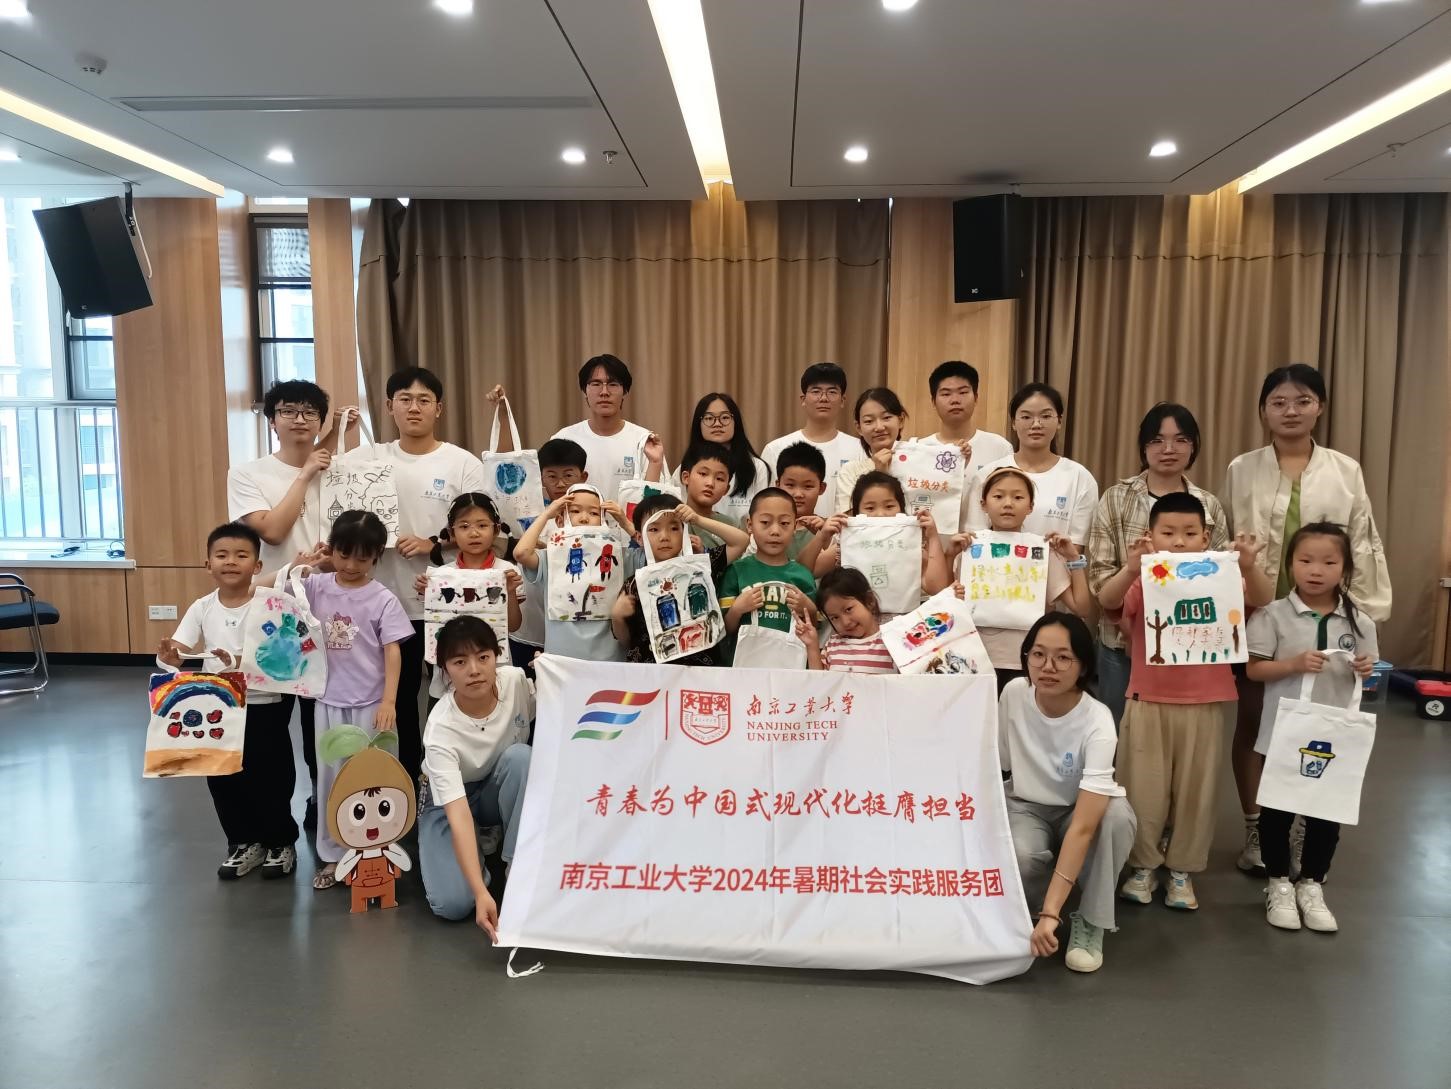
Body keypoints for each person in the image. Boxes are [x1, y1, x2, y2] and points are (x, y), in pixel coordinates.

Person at [1223, 363, 1391, 874]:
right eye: (1278, 402)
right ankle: (1257, 826)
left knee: (1320, 726)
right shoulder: (1241, 468)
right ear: (1263, 410)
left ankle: (1304, 827)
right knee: (1256, 723)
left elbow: (1362, 542)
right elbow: (1228, 541)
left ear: (1320, 407)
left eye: (1302, 401)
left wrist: (1359, 619)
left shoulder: (1345, 470)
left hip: (1323, 617)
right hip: (1259, 615)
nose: (1290, 411)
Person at [1097, 493, 1271, 911]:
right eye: (1168, 533)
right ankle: (1142, 866)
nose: (1178, 541)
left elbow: (1262, 598)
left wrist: (1248, 566)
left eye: (1190, 533)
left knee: (1197, 792)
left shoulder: (1220, 575)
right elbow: (1107, 601)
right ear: (1151, 535)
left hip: (1205, 701)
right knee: (1143, 788)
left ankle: (1182, 871)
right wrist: (1131, 567)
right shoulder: (1147, 576)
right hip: (1147, 699)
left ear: (1206, 538)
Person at [1245, 523, 1377, 932]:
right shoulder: (1272, 615)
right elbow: (1253, 670)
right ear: (1290, 565)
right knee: (1277, 811)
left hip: (1335, 734)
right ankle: (1278, 883)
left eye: (1329, 562)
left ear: (1345, 569)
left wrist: (1366, 670)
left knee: (1326, 814)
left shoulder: (1360, 622)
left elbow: (1369, 673)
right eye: (1305, 560)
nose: (1315, 570)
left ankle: (1312, 884)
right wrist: (1292, 664)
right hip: (1283, 732)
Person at [276, 511, 414, 891]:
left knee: (376, 779)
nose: (351, 565)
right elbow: (277, 595)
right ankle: (334, 854)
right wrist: (303, 566)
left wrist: (389, 702)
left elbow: (393, 652)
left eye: (363, 558)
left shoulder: (383, 599)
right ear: (331, 548)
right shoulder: (316, 586)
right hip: (328, 702)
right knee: (331, 778)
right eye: (343, 554)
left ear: (376, 557)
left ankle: (377, 852)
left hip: (372, 705)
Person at [156, 522, 299, 880]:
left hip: (265, 703)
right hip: (217, 706)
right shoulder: (202, 607)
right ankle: (243, 841)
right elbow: (178, 651)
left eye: (241, 555)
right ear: (208, 565)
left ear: (257, 565)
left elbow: (286, 657)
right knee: (223, 777)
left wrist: (240, 663)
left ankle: (280, 841)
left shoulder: (271, 605)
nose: (231, 561)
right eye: (221, 555)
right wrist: (170, 658)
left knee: (271, 775)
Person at [225, 379, 342, 812]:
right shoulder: (248, 474)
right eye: (288, 410)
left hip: (332, 607)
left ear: (321, 422)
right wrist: (306, 473)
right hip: (274, 615)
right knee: (270, 726)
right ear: (272, 420)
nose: (299, 419)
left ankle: (322, 804)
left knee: (322, 721)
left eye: (310, 412)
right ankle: (276, 823)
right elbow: (272, 531)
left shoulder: (341, 472)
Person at [369, 367, 488, 784]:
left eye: (424, 400)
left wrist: (432, 545)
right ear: (390, 406)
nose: (414, 407)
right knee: (397, 701)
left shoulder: (462, 463)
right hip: (385, 604)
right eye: (405, 399)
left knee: (454, 695)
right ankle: (403, 783)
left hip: (449, 604)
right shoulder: (369, 460)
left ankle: (453, 782)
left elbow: (483, 529)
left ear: (440, 408)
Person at [1005, 613, 1136, 974]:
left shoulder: (1098, 720)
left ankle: (1091, 918)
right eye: (1038, 654)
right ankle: (1031, 908)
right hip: (1026, 805)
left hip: (1080, 808)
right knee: (1019, 853)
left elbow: (1083, 827)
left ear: (1083, 666)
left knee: (1116, 819)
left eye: (1063, 657)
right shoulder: (1013, 694)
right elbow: (999, 762)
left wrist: (1053, 912)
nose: (1048, 667)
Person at [1087, 404, 1229, 724]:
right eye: (1157, 440)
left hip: (1188, 650)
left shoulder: (1208, 506)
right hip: (1120, 648)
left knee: (1181, 738)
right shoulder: (1116, 498)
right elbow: (1099, 577)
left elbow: (1219, 580)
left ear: (1193, 446)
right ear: (1143, 447)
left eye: (1180, 440)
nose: (1168, 449)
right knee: (1118, 736)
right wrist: (1130, 628)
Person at [416, 617, 533, 939]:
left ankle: (516, 868)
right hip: (448, 802)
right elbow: (457, 814)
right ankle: (477, 851)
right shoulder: (440, 729)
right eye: (459, 662)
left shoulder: (515, 682)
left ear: (497, 656)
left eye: (483, 657)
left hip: (493, 784)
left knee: (522, 758)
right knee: (453, 905)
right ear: (444, 670)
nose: (474, 670)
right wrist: (481, 892)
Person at [961, 466, 1093, 690]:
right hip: (975, 658)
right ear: (983, 504)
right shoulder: (969, 548)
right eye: (998, 496)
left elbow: (1081, 608)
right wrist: (949, 555)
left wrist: (1073, 558)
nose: (1008, 504)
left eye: (1018, 497)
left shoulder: (1040, 551)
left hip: (1027, 662)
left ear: (1031, 506)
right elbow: (942, 596)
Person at [610, 491, 749, 665]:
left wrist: (698, 519)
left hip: (701, 671)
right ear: (639, 538)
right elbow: (625, 641)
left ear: (685, 532)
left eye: (674, 528)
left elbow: (741, 541)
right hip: (651, 674)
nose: (665, 536)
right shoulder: (634, 584)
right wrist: (617, 616)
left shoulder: (701, 567)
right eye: (654, 529)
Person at [414, 493, 526, 696]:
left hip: (495, 671)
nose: (474, 533)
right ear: (452, 532)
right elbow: (436, 624)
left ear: (496, 529)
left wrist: (509, 592)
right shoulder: (441, 575)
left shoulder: (507, 571)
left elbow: (513, 626)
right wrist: (429, 594)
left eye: (482, 525)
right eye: (464, 526)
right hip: (449, 678)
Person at [513, 483, 636, 662]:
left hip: (610, 660)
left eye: (594, 513)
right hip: (562, 660)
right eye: (575, 511)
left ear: (604, 519)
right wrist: (546, 514)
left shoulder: (621, 555)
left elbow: (651, 553)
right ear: (560, 520)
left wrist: (625, 523)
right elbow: (521, 553)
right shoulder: (550, 556)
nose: (584, 518)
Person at [966, 383, 1098, 545]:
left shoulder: (1079, 477)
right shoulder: (988, 475)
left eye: (1046, 416)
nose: (1036, 424)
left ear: (1059, 421)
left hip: (1055, 562)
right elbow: (976, 540)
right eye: (1026, 417)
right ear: (1013, 423)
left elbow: (1075, 547)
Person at [808, 472, 951, 607]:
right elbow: (807, 571)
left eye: (889, 506)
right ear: (857, 513)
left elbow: (937, 588)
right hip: (855, 622)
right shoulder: (847, 546)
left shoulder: (910, 546)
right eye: (870, 508)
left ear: (901, 509)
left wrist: (933, 537)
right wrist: (822, 536)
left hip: (902, 622)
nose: (881, 514)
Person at [507, 437, 589, 671]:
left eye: (568, 475)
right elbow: (515, 550)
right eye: (551, 476)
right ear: (540, 477)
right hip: (528, 627)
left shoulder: (592, 517)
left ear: (583, 477)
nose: (560, 483)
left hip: (573, 634)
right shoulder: (526, 513)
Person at [720, 488, 819, 661]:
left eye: (784, 523)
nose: (775, 531)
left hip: (789, 666)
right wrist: (737, 609)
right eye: (765, 522)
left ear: (794, 527)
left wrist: (807, 607)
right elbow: (723, 630)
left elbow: (815, 628)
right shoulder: (736, 571)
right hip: (744, 667)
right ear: (750, 525)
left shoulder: (802, 575)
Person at [759, 362, 862, 516]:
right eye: (816, 391)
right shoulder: (775, 449)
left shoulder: (860, 449)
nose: (824, 398)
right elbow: (765, 504)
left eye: (832, 392)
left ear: (842, 400)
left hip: (845, 531)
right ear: (803, 399)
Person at [550, 354, 654, 503]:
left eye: (613, 384)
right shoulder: (564, 439)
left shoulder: (644, 441)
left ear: (624, 392)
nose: (604, 392)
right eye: (596, 384)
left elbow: (657, 500)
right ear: (585, 391)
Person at [673, 393, 770, 525]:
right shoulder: (685, 468)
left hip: (743, 537)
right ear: (699, 424)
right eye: (709, 418)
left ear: (736, 422)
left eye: (724, 417)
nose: (717, 424)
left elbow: (763, 516)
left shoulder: (756, 467)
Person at [915, 360, 1013, 475]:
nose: (955, 400)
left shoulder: (999, 448)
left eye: (963, 392)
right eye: (946, 394)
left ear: (976, 398)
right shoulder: (919, 450)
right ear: (933, 401)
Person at [796, 567, 897, 674]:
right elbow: (819, 680)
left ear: (869, 601)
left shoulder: (892, 641)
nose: (845, 622)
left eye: (848, 609)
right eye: (835, 617)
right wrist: (812, 646)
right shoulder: (832, 645)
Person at [833, 387, 910, 514]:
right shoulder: (851, 471)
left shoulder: (917, 461)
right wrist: (879, 475)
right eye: (869, 421)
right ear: (859, 427)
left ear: (900, 420)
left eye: (886, 417)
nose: (879, 427)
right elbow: (845, 521)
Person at [646, 439, 734, 550]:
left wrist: (704, 553)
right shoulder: (671, 515)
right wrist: (655, 463)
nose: (710, 483)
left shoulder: (731, 525)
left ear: (726, 489)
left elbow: (737, 552)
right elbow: (647, 509)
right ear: (686, 477)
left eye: (719, 478)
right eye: (703, 474)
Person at [767, 441, 830, 566]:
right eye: (790, 485)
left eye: (808, 486)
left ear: (822, 488)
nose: (798, 494)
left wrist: (826, 537)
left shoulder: (828, 530)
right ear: (778, 485)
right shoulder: (764, 527)